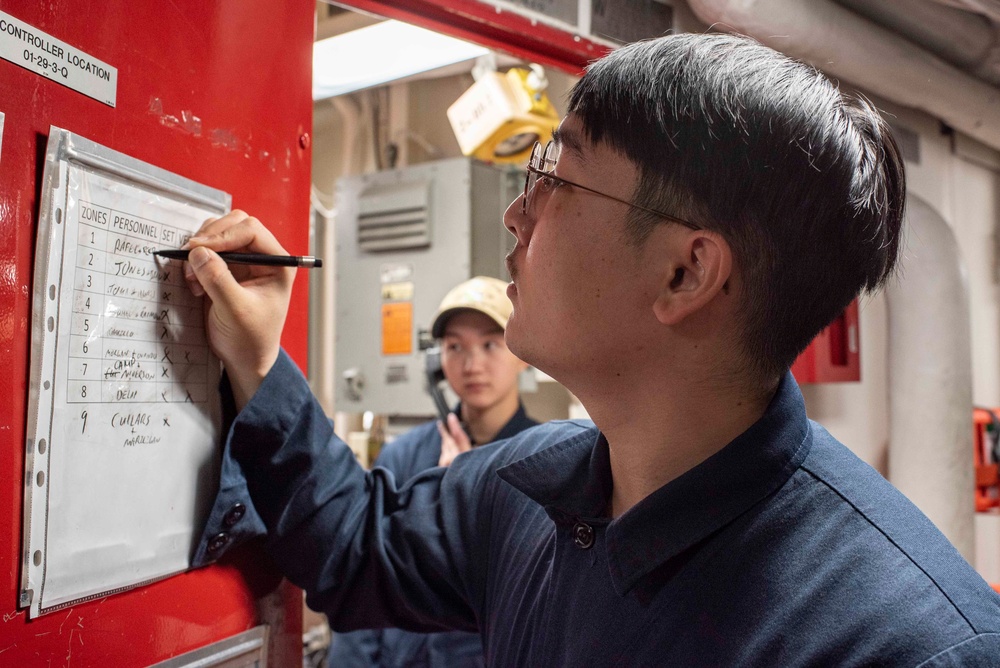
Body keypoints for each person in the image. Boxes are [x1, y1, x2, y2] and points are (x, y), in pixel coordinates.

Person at [186, 33, 1000, 666]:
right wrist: (258, 361)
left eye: (558, 177)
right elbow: (357, 548)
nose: (517, 214)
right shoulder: (529, 490)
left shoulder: (907, 642)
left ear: (686, 272)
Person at [327, 276, 538, 667]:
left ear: (521, 352)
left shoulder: (544, 464)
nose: (472, 365)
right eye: (455, 347)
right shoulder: (403, 457)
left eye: (490, 344)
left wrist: (458, 492)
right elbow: (368, 582)